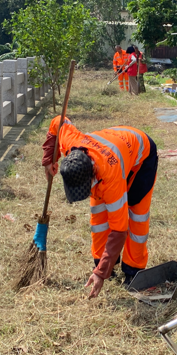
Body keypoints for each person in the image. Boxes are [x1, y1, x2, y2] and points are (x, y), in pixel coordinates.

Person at [41, 115, 158, 298]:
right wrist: (49, 158)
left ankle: (133, 270)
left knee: (136, 213)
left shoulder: (111, 178)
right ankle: (102, 261)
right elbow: (59, 121)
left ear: (92, 176)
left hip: (140, 156)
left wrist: (100, 274)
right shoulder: (72, 143)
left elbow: (119, 229)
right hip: (114, 142)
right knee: (99, 216)